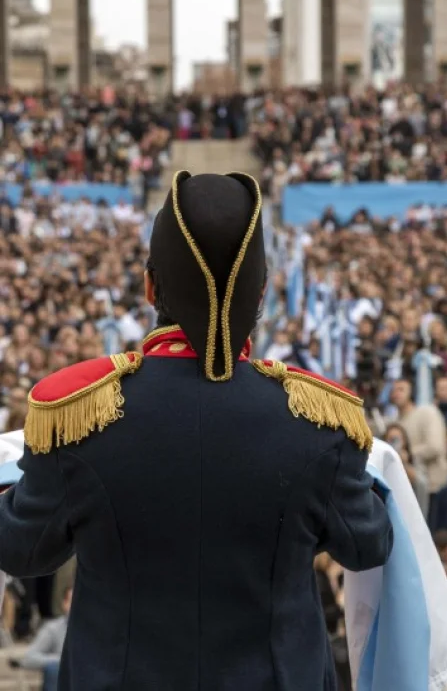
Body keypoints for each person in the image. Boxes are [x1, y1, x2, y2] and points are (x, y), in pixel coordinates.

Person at [0, 172, 392, 690]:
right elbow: (368, 544)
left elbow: (21, 550)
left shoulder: (79, 417)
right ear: (262, 296)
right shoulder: (316, 421)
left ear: (148, 286)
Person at [390, 378, 447, 517]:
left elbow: (435, 446)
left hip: (434, 487)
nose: (396, 393)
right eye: (394, 390)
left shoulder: (427, 412)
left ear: (412, 393)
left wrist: (408, 455)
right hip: (410, 490)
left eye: (401, 389)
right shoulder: (395, 421)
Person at [15, 587, 73, 691]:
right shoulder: (53, 628)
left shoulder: (95, 631)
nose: (75, 608)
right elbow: (30, 657)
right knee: (54, 669)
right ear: (64, 604)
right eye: (71, 602)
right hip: (60, 678)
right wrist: (62, 661)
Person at [383, 423, 429, 518]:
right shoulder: (381, 461)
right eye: (391, 439)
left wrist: (404, 464)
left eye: (398, 439)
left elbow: (422, 483)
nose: (395, 443)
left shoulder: (414, 461)